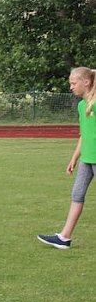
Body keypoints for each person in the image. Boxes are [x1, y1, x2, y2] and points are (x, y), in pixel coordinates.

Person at [38, 67, 96, 249]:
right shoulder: (81, 106)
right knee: (77, 194)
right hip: (87, 159)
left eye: (73, 83)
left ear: (86, 82)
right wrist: (74, 159)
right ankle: (64, 237)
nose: (70, 87)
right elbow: (84, 135)